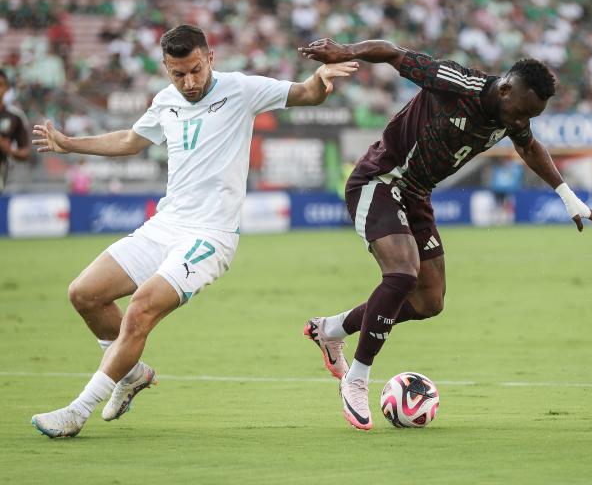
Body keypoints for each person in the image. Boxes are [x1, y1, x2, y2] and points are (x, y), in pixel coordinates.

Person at [30, 24, 358, 438]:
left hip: (211, 236)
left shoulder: (241, 89)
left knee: (140, 309)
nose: (188, 82)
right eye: (177, 73)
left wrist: (320, 79)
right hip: (165, 225)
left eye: (196, 70)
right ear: (166, 69)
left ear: (210, 59)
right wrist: (70, 144)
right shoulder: (165, 101)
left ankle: (77, 412)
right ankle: (130, 374)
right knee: (84, 293)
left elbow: (305, 94)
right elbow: (132, 140)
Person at [298, 38, 592, 430]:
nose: (520, 122)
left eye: (530, 116)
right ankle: (356, 379)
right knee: (402, 274)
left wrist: (568, 196)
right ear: (506, 89)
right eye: (521, 112)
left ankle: (330, 330)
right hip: (379, 180)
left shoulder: (514, 115)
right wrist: (347, 50)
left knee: (430, 300)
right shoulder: (456, 82)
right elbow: (394, 53)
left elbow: (529, 147)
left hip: (416, 194)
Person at [0, 69, 31, 192]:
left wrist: (10, 150)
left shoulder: (15, 116)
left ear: (7, 89)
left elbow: (25, 152)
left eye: (0, 85)